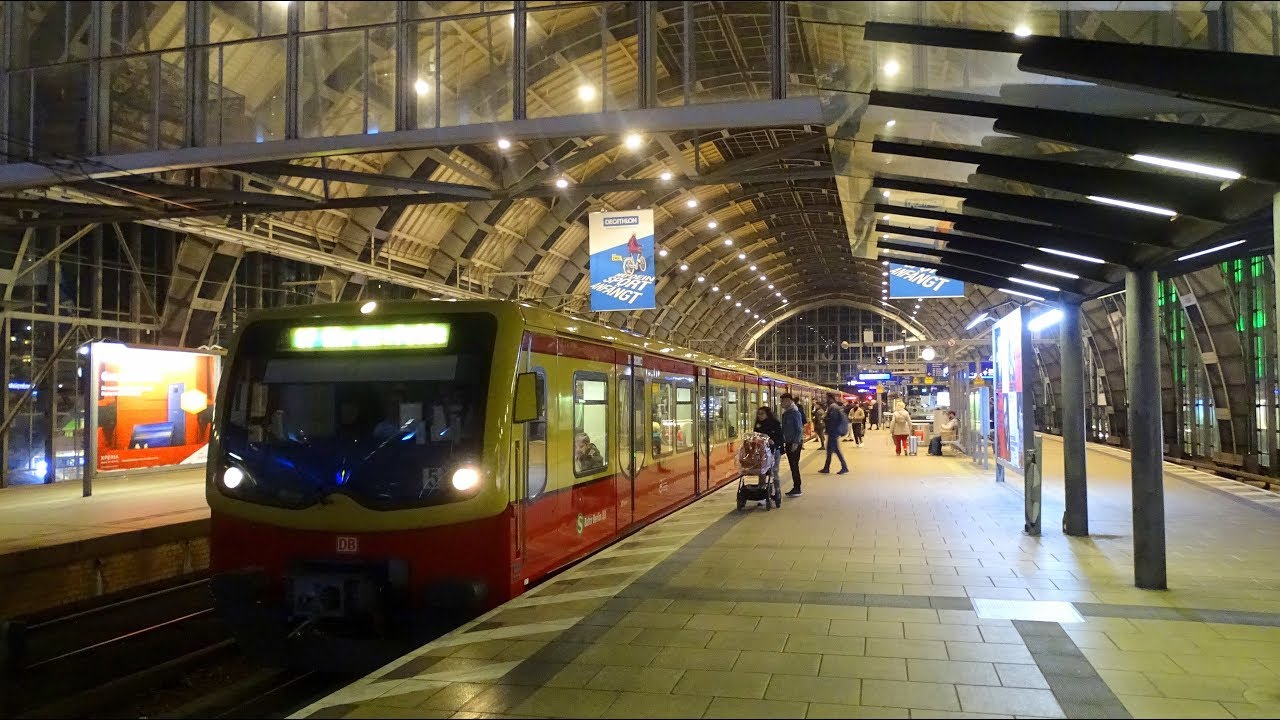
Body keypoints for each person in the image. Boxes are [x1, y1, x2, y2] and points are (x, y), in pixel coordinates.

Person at [752, 407, 785, 498]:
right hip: (761, 451)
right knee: (762, 472)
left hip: (773, 450)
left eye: (762, 414)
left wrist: (772, 441)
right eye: (758, 414)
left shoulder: (775, 424)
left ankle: (776, 491)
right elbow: (755, 435)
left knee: (774, 470)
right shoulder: (758, 424)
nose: (760, 416)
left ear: (767, 414)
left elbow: (780, 438)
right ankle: (762, 492)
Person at [780, 394, 804, 497]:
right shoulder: (786, 413)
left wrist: (796, 443)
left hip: (794, 443)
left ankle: (797, 487)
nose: (782, 403)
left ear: (789, 401)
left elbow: (799, 429)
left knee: (794, 465)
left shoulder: (795, 413)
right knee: (793, 465)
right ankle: (796, 487)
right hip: (789, 442)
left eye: (783, 401)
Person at [818, 393, 849, 474]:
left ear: (830, 398)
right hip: (833, 432)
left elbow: (833, 420)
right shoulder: (834, 406)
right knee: (829, 450)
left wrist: (824, 418)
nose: (826, 399)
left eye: (826, 398)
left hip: (833, 432)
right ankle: (826, 468)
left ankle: (844, 467)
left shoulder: (833, 407)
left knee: (836, 450)